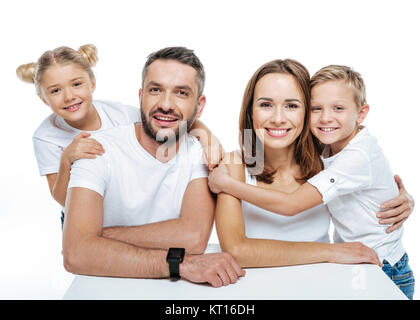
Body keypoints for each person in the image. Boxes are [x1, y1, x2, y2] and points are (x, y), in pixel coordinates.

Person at [207, 60, 414, 276]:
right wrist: (330, 252)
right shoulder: (233, 164)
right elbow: (237, 251)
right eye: (266, 105)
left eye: (292, 106)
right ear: (250, 111)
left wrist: (406, 199)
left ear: (307, 112)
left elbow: (372, 181)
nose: (278, 119)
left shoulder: (326, 157)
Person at [62, 46, 245, 287]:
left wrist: (100, 239)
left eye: (181, 93)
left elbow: (193, 237)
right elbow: (76, 254)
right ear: (141, 96)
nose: (166, 104)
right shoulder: (96, 150)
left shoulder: (201, 153)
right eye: (155, 90)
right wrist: (180, 263)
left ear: (199, 106)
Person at [16, 44, 223, 229]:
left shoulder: (120, 114)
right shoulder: (45, 137)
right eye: (55, 90)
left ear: (92, 84)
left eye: (76, 84)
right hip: (83, 217)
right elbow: (61, 198)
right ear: (43, 99)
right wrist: (66, 159)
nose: (69, 96)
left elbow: (166, 117)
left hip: (125, 214)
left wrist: (208, 138)